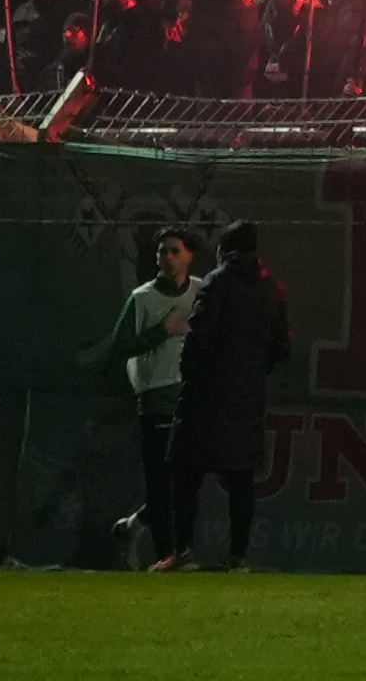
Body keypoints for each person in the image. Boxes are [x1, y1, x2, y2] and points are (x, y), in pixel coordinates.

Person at [163, 218, 295, 571]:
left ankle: (183, 552)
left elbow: (198, 336)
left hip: (207, 393)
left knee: (185, 470)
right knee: (241, 478)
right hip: (247, 396)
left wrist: (191, 375)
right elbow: (283, 345)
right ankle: (238, 557)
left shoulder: (217, 281)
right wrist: (253, 372)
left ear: (224, 248)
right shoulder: (272, 288)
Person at [103, 225, 203, 569]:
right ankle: (167, 555)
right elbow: (119, 348)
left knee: (187, 478)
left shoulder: (201, 291)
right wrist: (161, 332)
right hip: (156, 395)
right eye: (162, 251)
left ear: (189, 255)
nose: (167, 257)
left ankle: (135, 527)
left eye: (175, 250)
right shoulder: (142, 297)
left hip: (191, 395)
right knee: (161, 480)